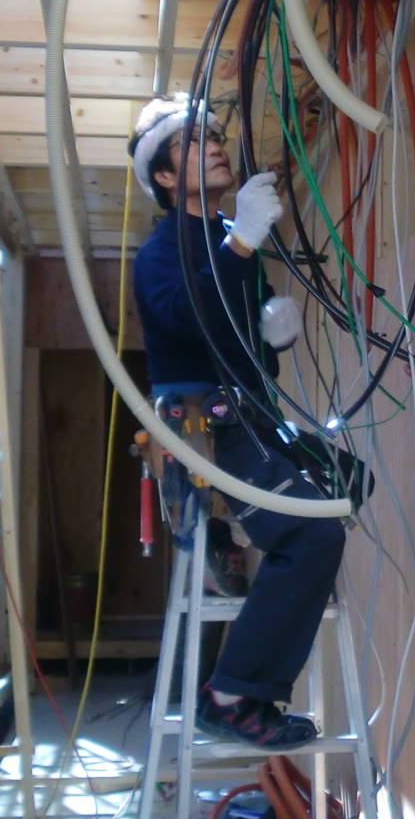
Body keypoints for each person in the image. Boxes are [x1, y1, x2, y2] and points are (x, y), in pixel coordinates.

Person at [127, 94, 345, 750]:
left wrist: (271, 335)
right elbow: (186, 314)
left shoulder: (228, 239)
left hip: (249, 418)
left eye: (216, 136)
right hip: (206, 429)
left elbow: (234, 335)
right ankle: (230, 695)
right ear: (166, 177)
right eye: (193, 143)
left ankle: (243, 673)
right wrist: (244, 239)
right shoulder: (162, 250)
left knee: (346, 484)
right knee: (313, 533)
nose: (216, 146)